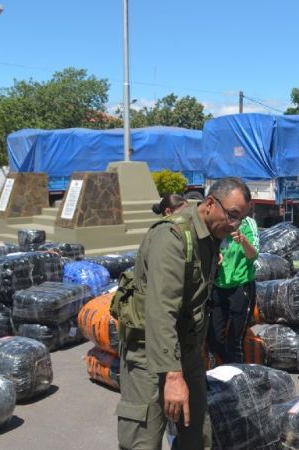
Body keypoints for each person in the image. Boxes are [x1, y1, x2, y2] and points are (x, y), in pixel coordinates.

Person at [115, 177, 252, 450]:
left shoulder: (211, 238)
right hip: (150, 356)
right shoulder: (172, 237)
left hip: (185, 353)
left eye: (241, 219)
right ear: (211, 204)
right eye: (232, 216)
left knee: (198, 437)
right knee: (142, 441)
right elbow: (160, 311)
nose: (235, 225)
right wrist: (173, 376)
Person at [206, 213, 259, 364]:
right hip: (219, 285)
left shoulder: (248, 224)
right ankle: (228, 367)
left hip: (241, 286)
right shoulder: (218, 223)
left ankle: (237, 377)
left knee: (235, 340)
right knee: (215, 337)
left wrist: (243, 241)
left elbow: (253, 255)